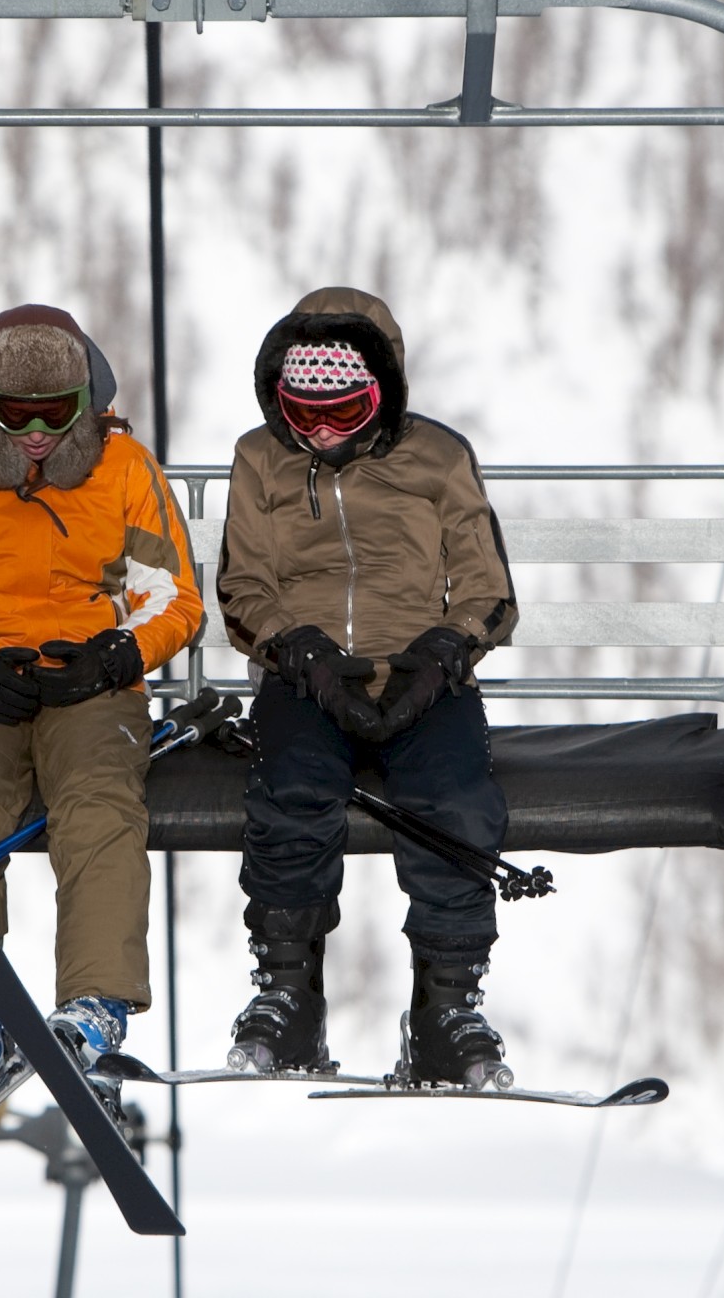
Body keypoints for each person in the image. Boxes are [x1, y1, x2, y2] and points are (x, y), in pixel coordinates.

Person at [0, 305, 204, 1137]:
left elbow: (175, 599)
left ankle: (93, 1006)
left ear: (84, 402)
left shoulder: (125, 468)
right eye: (14, 415)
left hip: (90, 682)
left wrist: (118, 657)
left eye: (57, 411)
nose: (37, 435)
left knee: (98, 809)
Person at [216, 286, 518, 1087]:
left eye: (343, 414)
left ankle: (445, 1007)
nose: (319, 434)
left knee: (453, 799)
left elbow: (489, 586)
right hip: (309, 676)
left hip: (421, 673)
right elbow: (243, 583)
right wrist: (298, 650)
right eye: (301, 414)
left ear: (381, 393)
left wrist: (446, 651)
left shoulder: (439, 457)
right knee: (291, 787)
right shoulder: (259, 458)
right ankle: (289, 994)